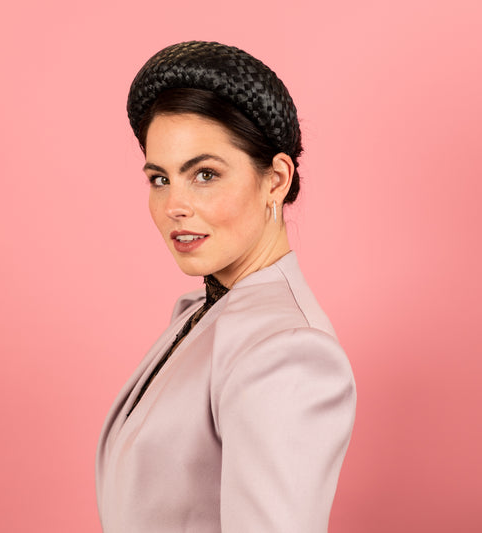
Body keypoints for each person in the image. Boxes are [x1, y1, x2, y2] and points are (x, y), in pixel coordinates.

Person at [96, 41, 356, 533]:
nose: (174, 206)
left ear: (276, 179)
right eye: (159, 179)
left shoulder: (287, 353)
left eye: (204, 174)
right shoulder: (205, 310)